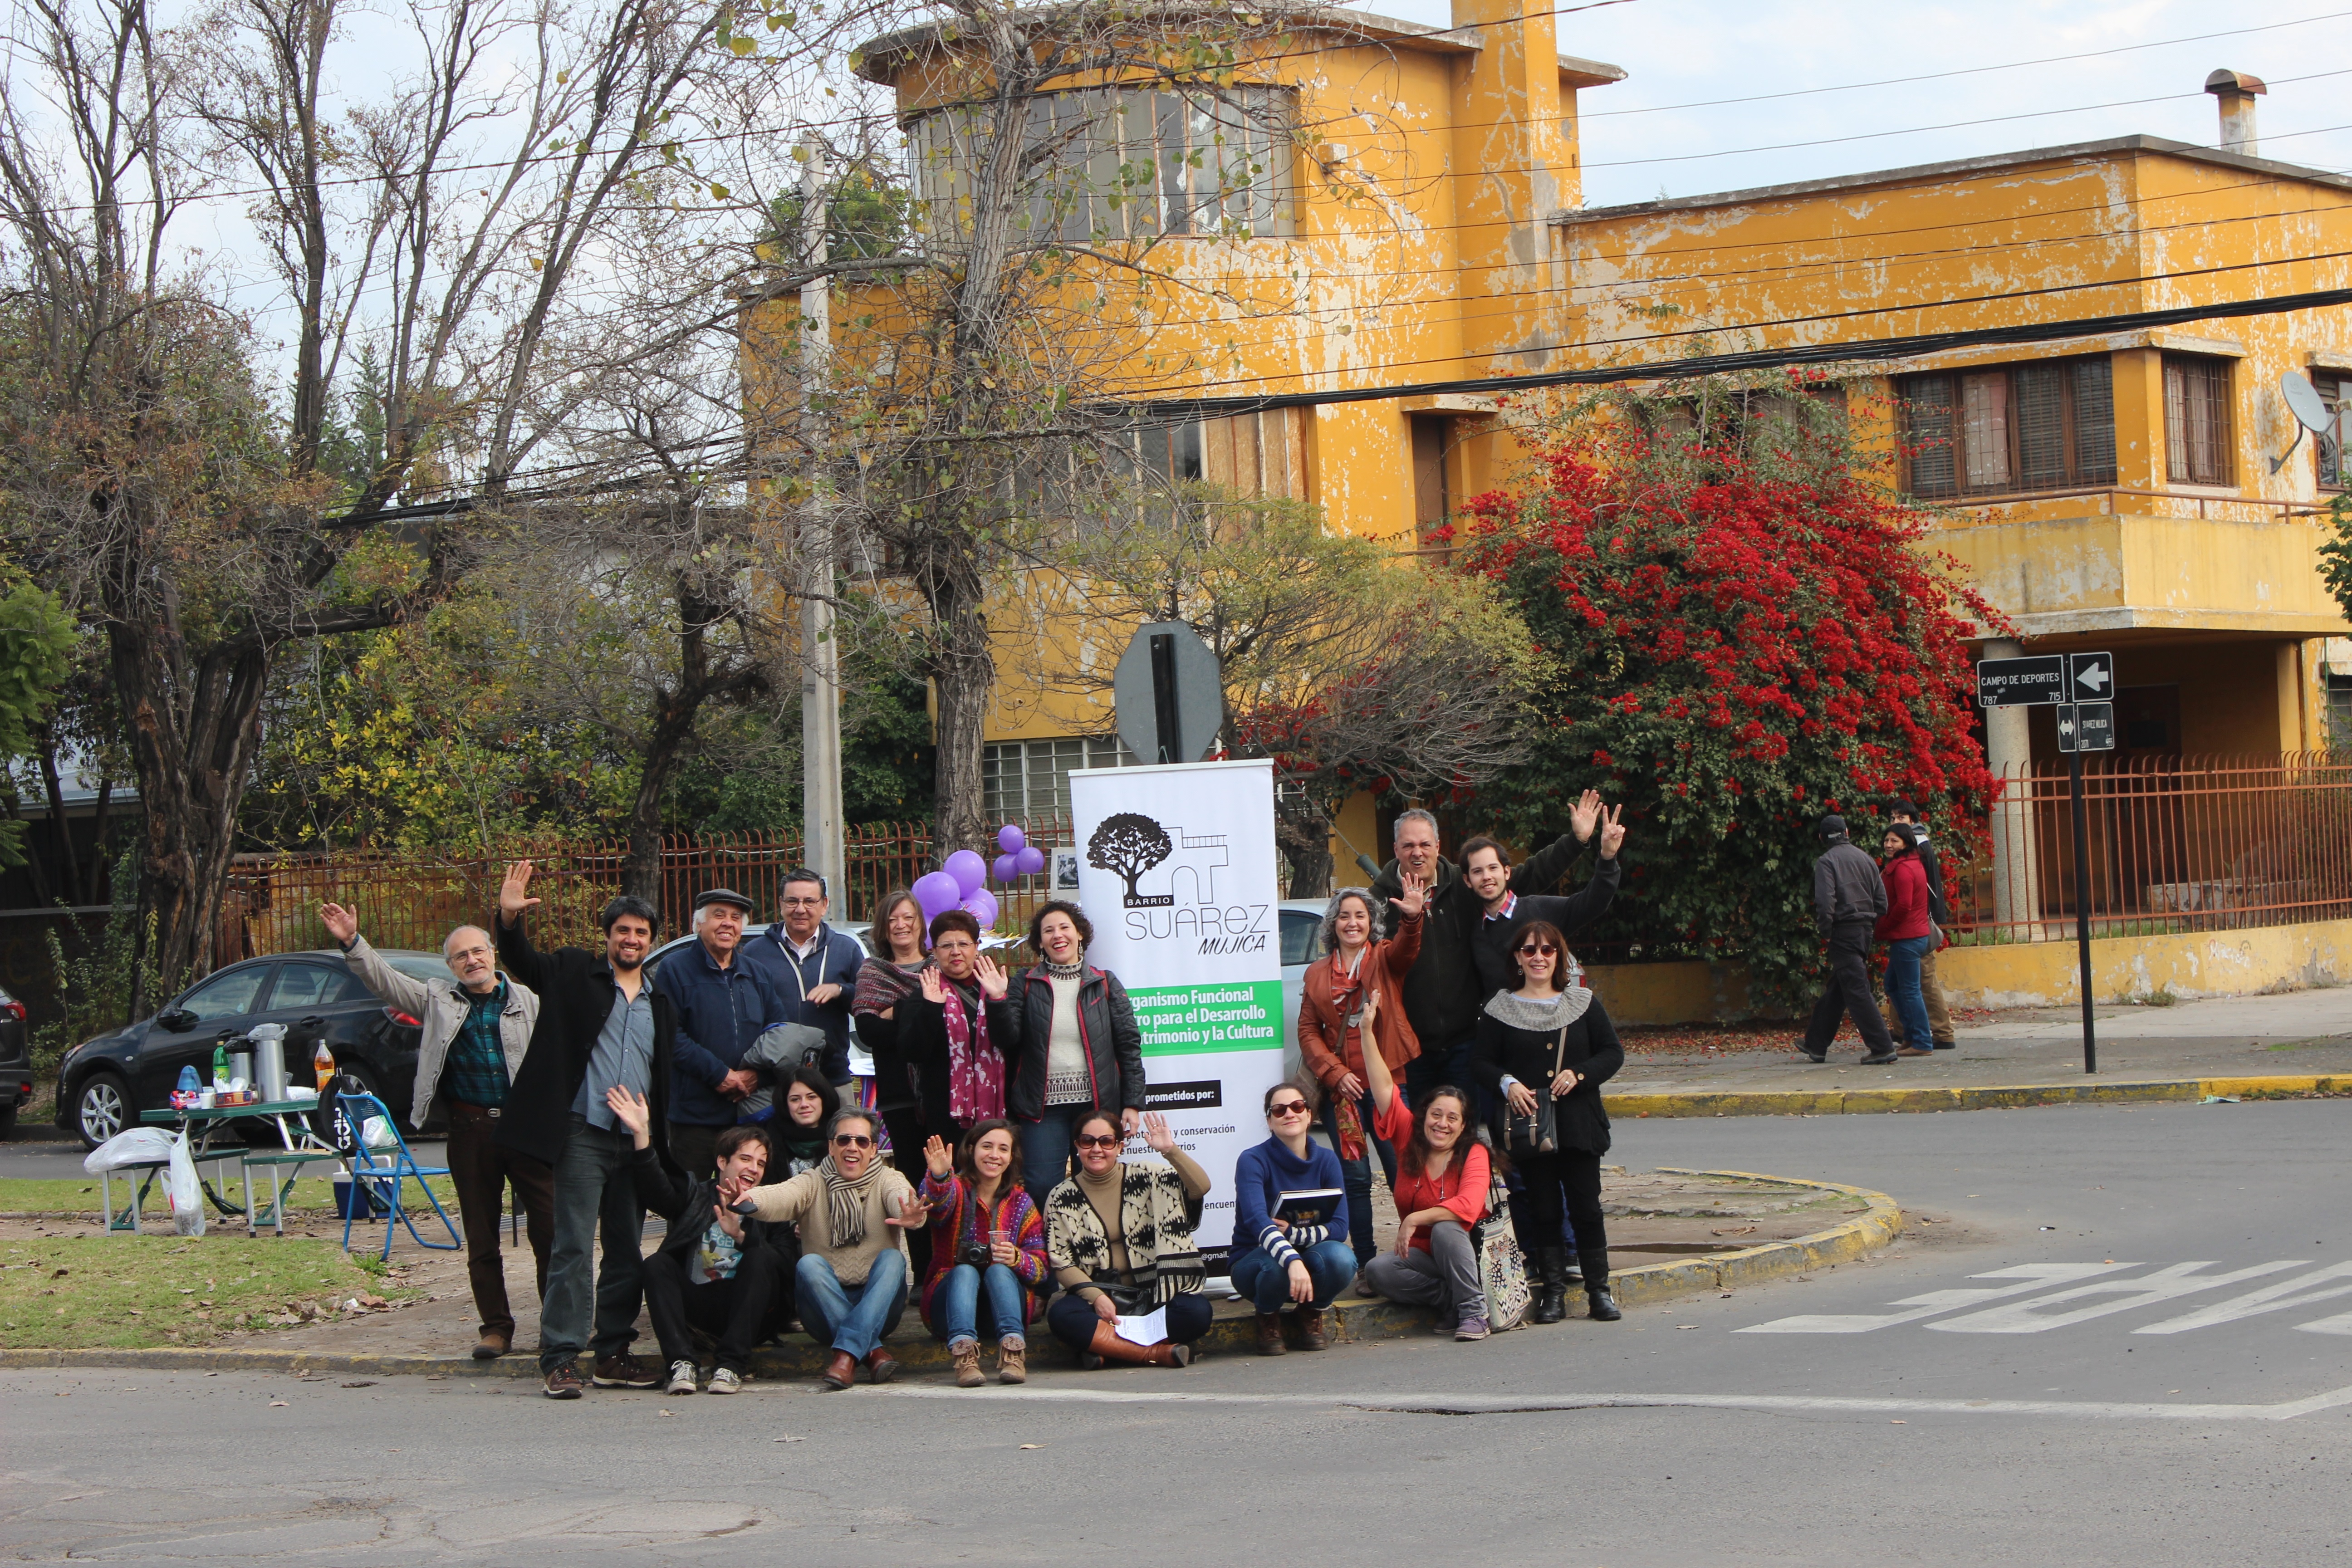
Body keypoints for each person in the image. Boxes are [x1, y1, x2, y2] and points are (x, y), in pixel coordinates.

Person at [318, 902, 551, 1361]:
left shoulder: (531, 1002)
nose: (472, 960)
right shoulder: (437, 1000)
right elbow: (384, 980)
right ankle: (496, 1329)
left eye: (478, 951)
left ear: (493, 954)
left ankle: (558, 1326)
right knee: (481, 1238)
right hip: (470, 1131)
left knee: (552, 1232)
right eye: (461, 956)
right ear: (451, 966)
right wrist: (352, 942)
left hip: (527, 1131)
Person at [492, 860, 681, 1399]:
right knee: (573, 1246)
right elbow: (523, 961)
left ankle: (613, 1353)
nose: (632, 939)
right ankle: (561, 1357)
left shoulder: (659, 1001)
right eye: (623, 930)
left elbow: (662, 1073)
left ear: (651, 941)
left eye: (641, 933)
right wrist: (508, 920)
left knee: (626, 1250)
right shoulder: (574, 972)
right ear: (608, 937)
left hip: (634, 1143)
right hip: (583, 1134)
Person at [1369, 794, 1612, 1106]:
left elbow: (1529, 874)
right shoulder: (1377, 901)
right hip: (1410, 1046)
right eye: (1408, 846)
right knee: (1418, 1138)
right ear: (1396, 850)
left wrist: (1577, 840)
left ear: (1438, 847)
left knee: (1467, 1132)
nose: (1418, 853)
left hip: (1465, 1042)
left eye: (1425, 844)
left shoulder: (1463, 883)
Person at [1472, 919, 1625, 1323]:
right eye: (1529, 950)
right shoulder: (1499, 1008)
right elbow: (1481, 1062)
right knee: (1543, 1210)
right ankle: (1553, 1294)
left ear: (1559, 957)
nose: (1538, 957)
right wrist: (1507, 1084)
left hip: (1579, 1124)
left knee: (1586, 1208)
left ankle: (1599, 1292)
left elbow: (1612, 1053)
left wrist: (1579, 1073)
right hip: (1529, 1127)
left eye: (1547, 950)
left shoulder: (1583, 1003)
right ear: (1518, 958)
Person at [605, 1085, 791, 1396]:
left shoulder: (770, 1205)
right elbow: (658, 1190)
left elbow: (785, 1267)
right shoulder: (695, 1195)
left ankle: (731, 1366)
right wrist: (641, 1136)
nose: (754, 1169)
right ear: (722, 1162)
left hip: (748, 1313)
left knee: (760, 1257)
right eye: (745, 1159)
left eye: (760, 1164)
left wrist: (741, 1236)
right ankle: (681, 1363)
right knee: (657, 1264)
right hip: (698, 1308)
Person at [736, 1107, 926, 1389]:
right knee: (809, 1264)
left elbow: (902, 1197)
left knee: (893, 1259)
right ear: (831, 1146)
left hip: (878, 1307)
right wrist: (750, 1197)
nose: (852, 1147)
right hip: (821, 1311)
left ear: (873, 1149)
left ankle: (847, 1355)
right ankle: (871, 1352)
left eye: (862, 1142)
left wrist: (913, 1214)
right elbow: (781, 1195)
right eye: (844, 1140)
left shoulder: (888, 1178)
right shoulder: (812, 1181)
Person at [1295, 878, 1425, 1274]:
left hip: (1388, 1088)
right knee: (1355, 1181)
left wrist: (1414, 917)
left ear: (1372, 923)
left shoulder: (1384, 958)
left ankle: (1415, 1258)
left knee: (1402, 1173)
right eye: (1345, 916)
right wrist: (1335, 1074)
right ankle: (1368, 1265)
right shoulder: (1316, 974)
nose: (1352, 923)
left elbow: (1408, 948)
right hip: (1343, 1096)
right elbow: (1307, 1032)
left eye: (1361, 916)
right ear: (1333, 924)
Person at [1356, 987, 1494, 1339]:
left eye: (1452, 1118)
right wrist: (1366, 1033)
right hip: (1423, 1257)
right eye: (1436, 1114)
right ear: (1423, 1117)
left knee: (1449, 1228)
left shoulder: (1473, 1153)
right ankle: (1449, 1301)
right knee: (1378, 1270)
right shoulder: (1409, 1138)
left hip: (1466, 1253)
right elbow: (1383, 1086)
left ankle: (1475, 1312)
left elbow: (1467, 1207)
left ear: (1463, 1127)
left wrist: (1415, 1219)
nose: (1442, 1124)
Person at [1001, 901, 1146, 1207]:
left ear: (1080, 934)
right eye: (1048, 930)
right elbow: (1007, 1040)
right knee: (1041, 1186)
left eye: (1065, 927)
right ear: (1040, 942)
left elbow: (1128, 1045)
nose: (1058, 935)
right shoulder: (1025, 984)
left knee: (1096, 1184)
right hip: (1043, 1109)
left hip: (1096, 1106)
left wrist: (1132, 1103)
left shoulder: (1104, 983)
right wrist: (997, 1001)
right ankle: (1050, 1251)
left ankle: (1094, 1252)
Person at [1044, 1110, 1212, 1367]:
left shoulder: (1148, 1175)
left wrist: (1170, 1151)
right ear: (1077, 1146)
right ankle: (1156, 1354)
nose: (1097, 1149)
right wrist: (1096, 1298)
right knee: (1062, 1316)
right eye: (1088, 1141)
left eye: (1107, 1142)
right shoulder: (1061, 1196)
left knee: (1197, 1313)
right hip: (1100, 1298)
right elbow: (1061, 1263)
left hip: (1156, 1294)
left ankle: (1108, 1350)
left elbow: (1200, 1187)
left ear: (1120, 1146)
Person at [656, 888, 785, 1180]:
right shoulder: (674, 970)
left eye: (736, 918)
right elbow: (669, 1036)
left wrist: (757, 1076)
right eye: (719, 915)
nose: (728, 923)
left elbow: (779, 1034)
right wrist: (719, 1075)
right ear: (699, 924)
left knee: (751, 1206)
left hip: (751, 1115)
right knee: (692, 1205)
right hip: (695, 1117)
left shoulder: (758, 974)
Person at [1228, 1075, 1355, 1355]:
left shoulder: (1327, 1160)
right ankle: (1267, 1316)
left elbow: (1340, 1227)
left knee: (1342, 1258)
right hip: (1256, 1261)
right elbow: (1257, 1222)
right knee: (1276, 1265)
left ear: (1309, 1116)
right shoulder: (1252, 1160)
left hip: (1306, 1258)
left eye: (1298, 1107)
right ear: (1270, 1121)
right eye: (1279, 1110)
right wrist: (1293, 1258)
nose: (1289, 1114)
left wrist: (1294, 1236)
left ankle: (1311, 1312)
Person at [916, 1123, 1049, 1387]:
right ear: (971, 1149)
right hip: (950, 1307)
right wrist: (941, 1176)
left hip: (1001, 1308)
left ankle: (1013, 1354)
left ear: (1012, 1157)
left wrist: (1016, 1258)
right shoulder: (957, 1188)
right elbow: (936, 1206)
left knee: (999, 1269)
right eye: (987, 1146)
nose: (994, 1155)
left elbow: (1042, 1269)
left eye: (1003, 1149)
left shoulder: (1021, 1202)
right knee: (965, 1270)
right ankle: (964, 1357)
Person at [1461, 821, 1627, 1000]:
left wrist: (1608, 857)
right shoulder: (1477, 933)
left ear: (1507, 872)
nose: (1487, 877)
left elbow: (1592, 903)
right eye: (1478, 872)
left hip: (1549, 1023)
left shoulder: (1541, 910)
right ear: (1468, 881)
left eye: (1493, 868)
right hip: (1502, 1026)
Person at [895, 911, 1014, 1149]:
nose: (956, 952)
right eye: (947, 945)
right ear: (935, 952)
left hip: (998, 1110)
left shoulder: (997, 988)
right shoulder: (925, 993)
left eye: (963, 944)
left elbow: (1010, 1041)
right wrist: (931, 1007)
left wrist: (998, 1001)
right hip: (946, 1114)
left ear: (977, 948)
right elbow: (911, 1052)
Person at [740, 867, 863, 1087]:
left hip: (832, 1077)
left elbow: (866, 1003)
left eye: (809, 901)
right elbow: (744, 1015)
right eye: (792, 901)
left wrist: (840, 990)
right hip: (773, 1081)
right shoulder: (755, 952)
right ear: (781, 904)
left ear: (824, 905)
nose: (800, 909)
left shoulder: (846, 949)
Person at [1797, 814, 1898, 1066]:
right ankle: (1816, 1043)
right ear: (1847, 832)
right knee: (1841, 986)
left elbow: (1825, 901)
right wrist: (1869, 923)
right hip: (1864, 929)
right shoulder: (1865, 858)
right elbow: (1882, 903)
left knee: (1856, 988)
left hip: (1843, 929)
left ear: (1822, 838)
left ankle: (1882, 1046)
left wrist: (1826, 929)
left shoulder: (1827, 862)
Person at [848, 889, 931, 1182]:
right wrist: (920, 1018)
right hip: (899, 1095)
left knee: (949, 1179)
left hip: (943, 1094)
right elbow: (870, 1032)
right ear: (883, 928)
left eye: (909, 917)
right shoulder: (873, 971)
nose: (901, 925)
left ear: (921, 923)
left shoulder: (939, 968)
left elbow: (947, 1029)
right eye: (893, 919)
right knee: (912, 1177)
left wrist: (897, 1011)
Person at [1883, 801, 1957, 1050]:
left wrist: (1884, 926)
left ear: (1912, 820)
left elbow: (1912, 898)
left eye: (1901, 817)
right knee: (1899, 984)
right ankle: (1910, 1033)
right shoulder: (1911, 853)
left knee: (1921, 982)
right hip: (1915, 926)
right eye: (1893, 817)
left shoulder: (1917, 850)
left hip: (1915, 927)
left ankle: (1935, 1034)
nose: (1896, 822)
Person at [1876, 825, 1937, 1059]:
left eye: (1895, 841)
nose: (1889, 845)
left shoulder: (1902, 869)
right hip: (1914, 935)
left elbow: (1903, 906)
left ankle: (1922, 1040)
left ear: (1906, 844)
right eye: (1887, 840)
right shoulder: (1913, 863)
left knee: (1910, 991)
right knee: (1892, 985)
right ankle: (1912, 1036)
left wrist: (1883, 926)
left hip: (1908, 937)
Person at [762, 1066, 841, 1182]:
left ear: (824, 1100)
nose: (804, 1104)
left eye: (811, 1097)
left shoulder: (842, 1138)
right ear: (785, 1104)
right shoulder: (767, 1140)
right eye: (795, 1099)